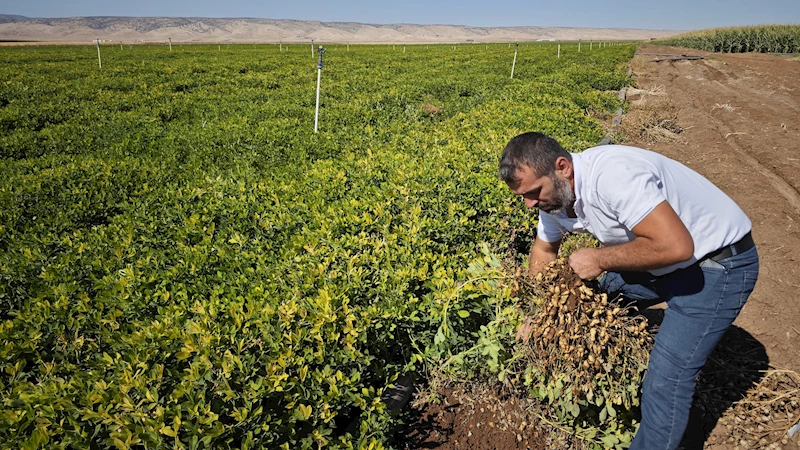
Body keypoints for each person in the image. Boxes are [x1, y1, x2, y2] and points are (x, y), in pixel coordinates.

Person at [498, 132, 759, 450]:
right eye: (523, 196)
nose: (529, 203)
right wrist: (541, 314)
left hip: (716, 266)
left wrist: (598, 258)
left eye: (534, 192)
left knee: (665, 382)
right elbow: (543, 251)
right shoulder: (554, 199)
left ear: (562, 167)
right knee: (585, 301)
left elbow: (676, 245)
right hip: (658, 262)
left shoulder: (612, 177)